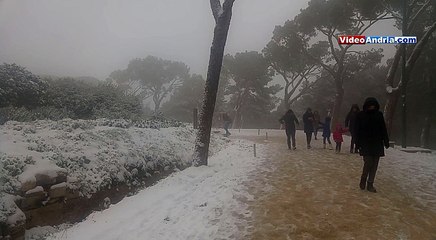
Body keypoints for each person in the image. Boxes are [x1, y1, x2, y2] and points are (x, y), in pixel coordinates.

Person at [355, 97, 389, 193]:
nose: (372, 107)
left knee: (374, 165)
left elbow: (383, 129)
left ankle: (370, 183)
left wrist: (386, 141)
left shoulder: (379, 115)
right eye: (370, 105)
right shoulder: (361, 115)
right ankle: (363, 178)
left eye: (373, 105)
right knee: (368, 162)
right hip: (365, 143)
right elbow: (356, 130)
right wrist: (357, 144)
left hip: (377, 143)